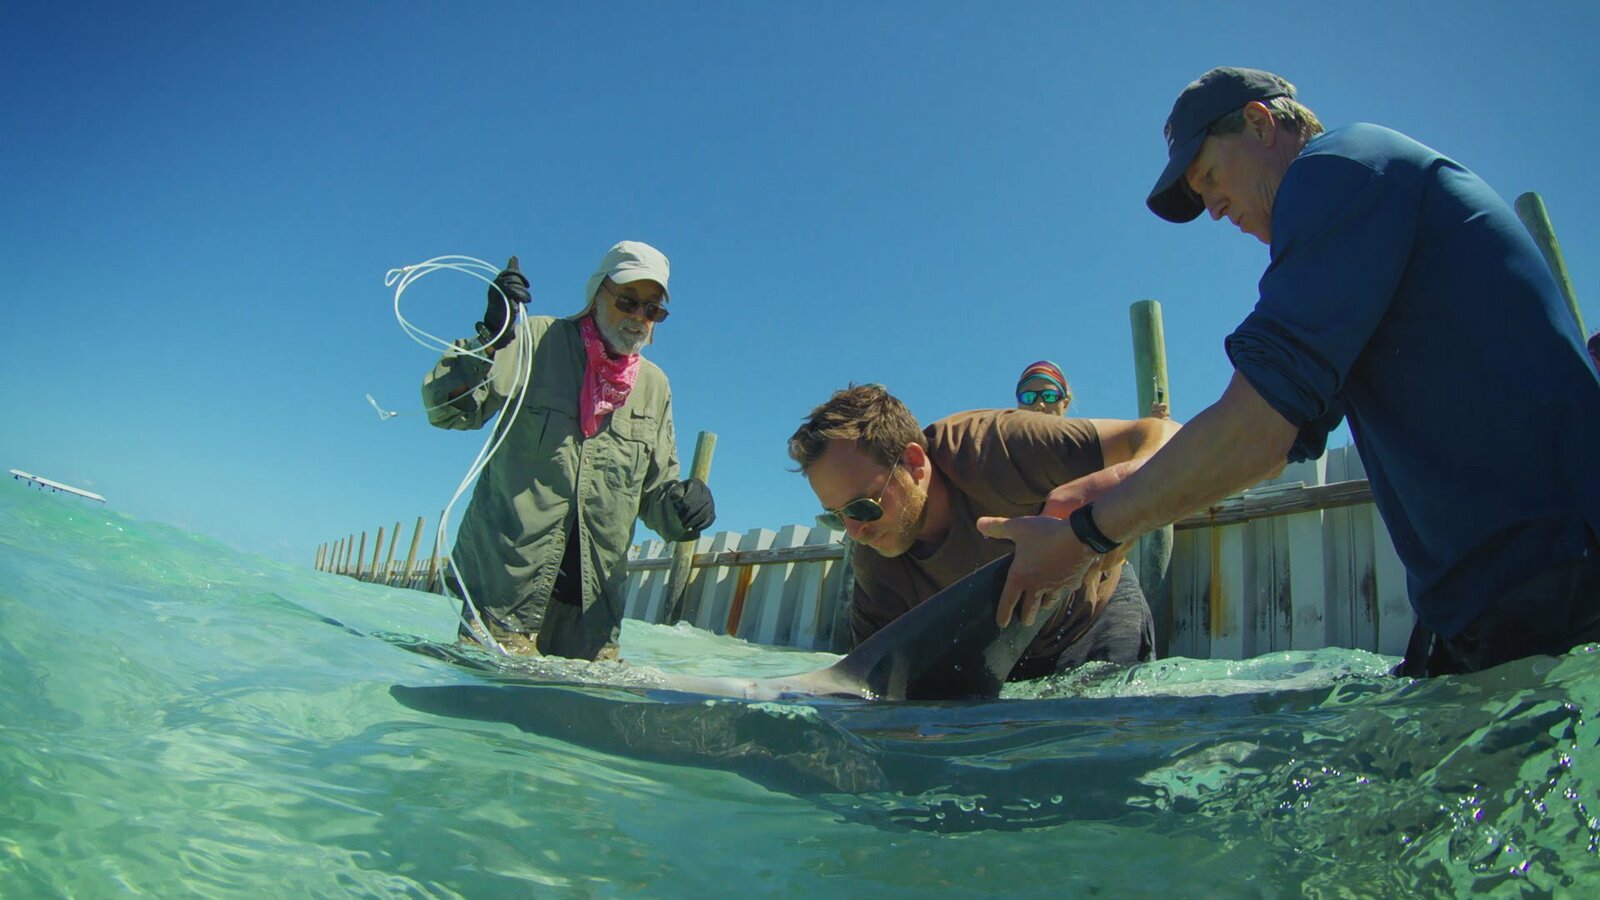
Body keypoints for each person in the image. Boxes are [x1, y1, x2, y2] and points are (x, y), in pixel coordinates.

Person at [978, 67, 1600, 677]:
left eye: (1209, 177)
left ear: (1259, 123)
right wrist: (1109, 487)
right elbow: (1265, 437)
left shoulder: (1339, 170)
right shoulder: (1352, 232)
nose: (1212, 209)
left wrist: (1088, 535)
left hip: (1555, 573)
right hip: (1486, 598)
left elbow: (1258, 431)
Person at [421, 241, 715, 661]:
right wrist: (490, 339)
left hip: (594, 619)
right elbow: (450, 411)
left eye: (652, 311)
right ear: (596, 293)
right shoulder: (535, 338)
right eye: (628, 301)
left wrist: (686, 509)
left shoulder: (656, 386)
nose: (639, 317)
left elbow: (655, 498)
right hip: (504, 599)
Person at [789, 384, 1181, 680]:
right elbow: (866, 688)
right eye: (837, 517)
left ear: (913, 462)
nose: (855, 531)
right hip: (1003, 654)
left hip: (1091, 621)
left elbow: (1162, 434)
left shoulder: (995, 448)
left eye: (863, 506)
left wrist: (1103, 526)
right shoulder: (874, 560)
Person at [1015, 359, 1169, 419]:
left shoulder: (1087, 447)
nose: (1040, 405)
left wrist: (1153, 430)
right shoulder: (1005, 453)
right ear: (1018, 405)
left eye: (1049, 396)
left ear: (1065, 404)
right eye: (1029, 397)